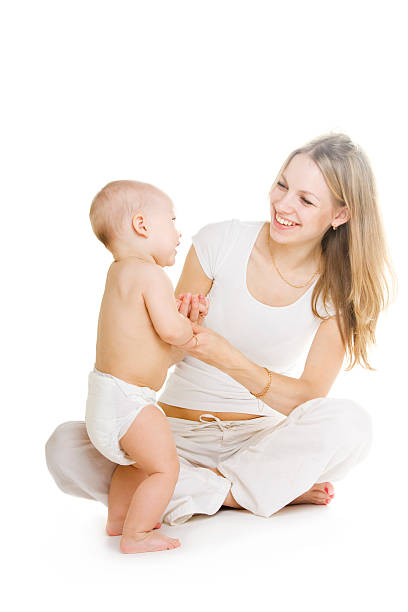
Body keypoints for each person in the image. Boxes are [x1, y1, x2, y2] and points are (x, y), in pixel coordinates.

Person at [46, 133, 393, 529]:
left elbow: (309, 397)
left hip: (257, 441)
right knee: (63, 449)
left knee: (351, 425)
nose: (282, 204)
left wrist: (224, 355)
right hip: (170, 436)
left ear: (340, 215)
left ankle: (206, 490)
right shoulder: (220, 242)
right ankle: (249, 492)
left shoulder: (339, 291)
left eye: (306, 199)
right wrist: (185, 332)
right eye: (282, 184)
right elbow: (165, 350)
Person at [83, 180, 208, 553]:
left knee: (137, 463)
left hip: (105, 399)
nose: (178, 231)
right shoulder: (151, 274)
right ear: (142, 225)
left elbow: (155, 343)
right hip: (131, 403)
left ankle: (119, 519)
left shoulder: (118, 273)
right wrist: (191, 321)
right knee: (164, 467)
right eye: (171, 220)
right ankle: (135, 535)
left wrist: (180, 321)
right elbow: (172, 332)